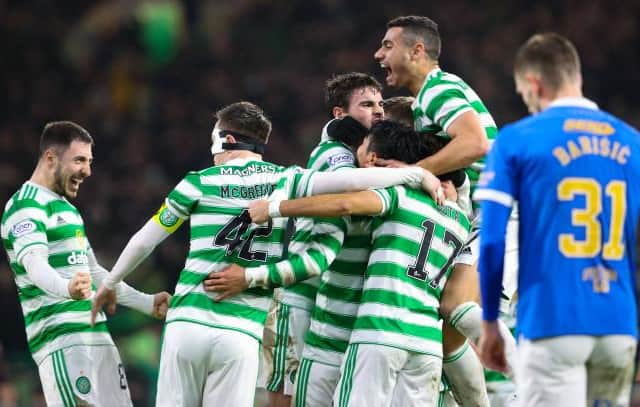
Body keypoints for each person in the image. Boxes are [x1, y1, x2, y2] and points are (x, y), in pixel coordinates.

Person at [91, 102, 441, 407]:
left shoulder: (198, 181)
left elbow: (144, 240)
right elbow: (350, 181)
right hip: (242, 334)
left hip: (188, 324)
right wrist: (416, 174)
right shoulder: (286, 180)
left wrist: (111, 282)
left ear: (225, 139)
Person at [249, 120, 470, 406]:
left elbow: (345, 203)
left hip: (378, 330)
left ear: (375, 157)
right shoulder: (463, 220)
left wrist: (275, 208)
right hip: (427, 340)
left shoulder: (399, 196)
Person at [476, 33, 640, 406]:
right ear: (575, 76)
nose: (527, 103)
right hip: (617, 322)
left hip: (553, 320)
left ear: (533, 83)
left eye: (523, 94)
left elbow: (491, 240)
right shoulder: (632, 143)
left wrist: (490, 323)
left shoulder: (517, 139)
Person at [374, 15, 515, 405]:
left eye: (388, 45)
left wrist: (415, 172)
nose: (378, 53)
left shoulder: (439, 88)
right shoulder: (426, 103)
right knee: (447, 334)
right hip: (486, 207)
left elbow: (476, 144)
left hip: (500, 207)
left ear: (416, 50)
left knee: (454, 305)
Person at [0, 121, 171, 407]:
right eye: (79, 160)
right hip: (63, 340)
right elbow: (34, 264)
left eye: (89, 162)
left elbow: (94, 272)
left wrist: (146, 302)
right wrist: (66, 287)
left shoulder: (68, 210)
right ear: (50, 158)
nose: (87, 171)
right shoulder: (24, 206)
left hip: (97, 336)